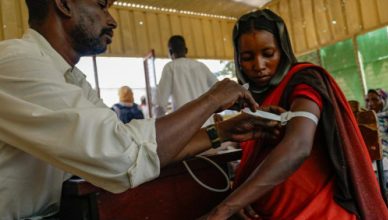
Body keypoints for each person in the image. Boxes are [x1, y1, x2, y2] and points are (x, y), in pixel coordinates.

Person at [0, 1, 282, 219]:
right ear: (63, 4)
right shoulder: (16, 61)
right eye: (101, 5)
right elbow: (125, 156)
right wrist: (211, 98)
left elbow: (138, 148)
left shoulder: (71, 79)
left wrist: (221, 131)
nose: (111, 21)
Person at [203, 9, 388, 219]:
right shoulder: (254, 100)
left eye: (268, 54)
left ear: (283, 51)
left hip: (317, 212)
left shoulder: (304, 81)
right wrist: (244, 195)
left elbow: (298, 146)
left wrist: (227, 206)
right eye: (247, 58)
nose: (258, 65)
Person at [155, 35, 218, 126]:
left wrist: (158, 127)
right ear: (186, 50)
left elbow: (161, 103)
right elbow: (218, 87)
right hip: (207, 124)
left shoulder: (170, 67)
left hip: (185, 127)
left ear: (170, 52)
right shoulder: (201, 66)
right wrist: (216, 112)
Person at [366, 88, 388, 157]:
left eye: (375, 99)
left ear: (385, 101)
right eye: (367, 100)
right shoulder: (367, 118)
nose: (370, 104)